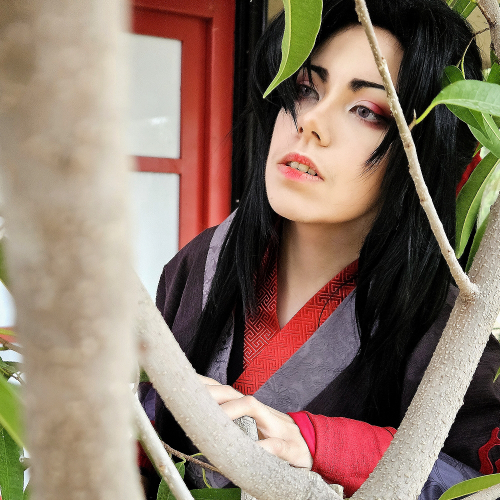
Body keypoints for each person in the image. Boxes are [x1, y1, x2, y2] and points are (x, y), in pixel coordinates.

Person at [140, 0, 500, 498]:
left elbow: (480, 480)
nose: (310, 121)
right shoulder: (202, 263)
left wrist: (318, 445)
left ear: (426, 152)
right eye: (305, 89)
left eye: (367, 111)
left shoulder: (456, 321)